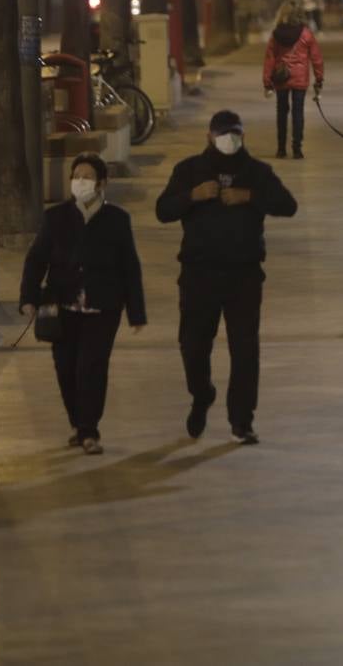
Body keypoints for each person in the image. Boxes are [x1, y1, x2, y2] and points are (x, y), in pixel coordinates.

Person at [156, 111, 298, 445]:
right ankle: (202, 394)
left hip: (243, 275)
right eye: (222, 133)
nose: (228, 140)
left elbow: (287, 205)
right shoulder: (190, 171)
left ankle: (241, 420)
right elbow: (163, 210)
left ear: (242, 136)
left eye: (234, 134)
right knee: (193, 346)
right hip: (198, 274)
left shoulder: (256, 173)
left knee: (245, 350)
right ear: (209, 136)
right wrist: (193, 196)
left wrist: (249, 197)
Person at [20, 153, 147, 455]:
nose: (80, 182)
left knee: (91, 366)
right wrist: (29, 297)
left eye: (87, 177)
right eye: (76, 176)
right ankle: (78, 423)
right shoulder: (56, 218)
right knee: (65, 369)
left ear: (102, 183)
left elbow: (130, 266)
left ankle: (90, 430)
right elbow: (36, 259)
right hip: (63, 308)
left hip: (103, 308)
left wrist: (136, 312)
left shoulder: (117, 220)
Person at [263, 1, 325, 160]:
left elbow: (269, 58)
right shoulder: (306, 34)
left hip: (281, 77)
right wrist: (319, 78)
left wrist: (267, 82)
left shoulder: (276, 34)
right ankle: (297, 149)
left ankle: (281, 149)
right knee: (298, 112)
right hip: (299, 78)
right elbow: (316, 58)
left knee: (281, 112)